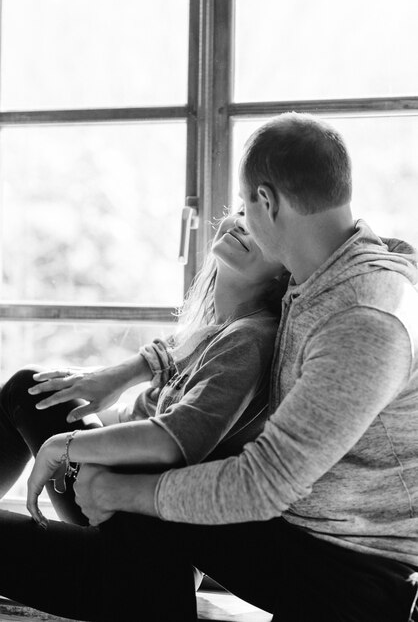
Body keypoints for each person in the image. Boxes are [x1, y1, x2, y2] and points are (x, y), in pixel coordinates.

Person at [1, 112, 418, 622]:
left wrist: (119, 489)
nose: (241, 219)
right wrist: (125, 373)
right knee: (97, 441)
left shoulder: (360, 321)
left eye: (246, 205)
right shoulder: (329, 269)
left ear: (267, 201)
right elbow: (212, 335)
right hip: (304, 539)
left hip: (351, 577)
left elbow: (263, 483)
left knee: (151, 478)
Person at [1, 210, 287, 529]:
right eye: (243, 211)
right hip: (130, 523)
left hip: (135, 534)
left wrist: (64, 443)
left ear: (286, 269)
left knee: (26, 386)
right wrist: (77, 403)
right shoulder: (212, 332)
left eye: (262, 227)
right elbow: (144, 411)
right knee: (34, 389)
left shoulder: (249, 338)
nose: (243, 223)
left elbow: (176, 440)